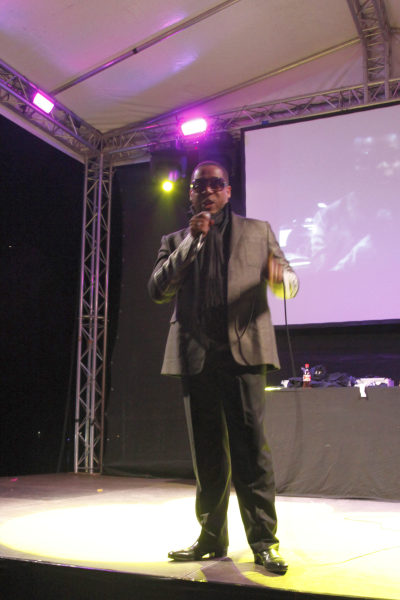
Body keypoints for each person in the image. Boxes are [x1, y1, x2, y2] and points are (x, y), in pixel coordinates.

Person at [148, 160, 299, 574]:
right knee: (208, 455)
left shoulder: (258, 231)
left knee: (251, 452)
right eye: (201, 185)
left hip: (244, 354)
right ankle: (211, 539)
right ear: (191, 193)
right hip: (196, 356)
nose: (208, 191)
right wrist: (190, 242)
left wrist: (280, 278)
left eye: (217, 184)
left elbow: (290, 282)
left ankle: (264, 542)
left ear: (229, 191)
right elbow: (157, 289)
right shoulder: (175, 239)